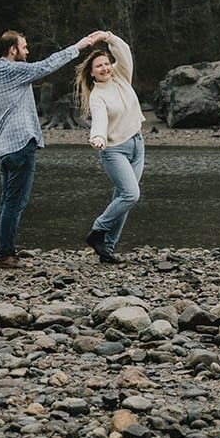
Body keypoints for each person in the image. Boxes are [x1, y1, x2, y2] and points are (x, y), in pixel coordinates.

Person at [0, 27, 105, 268]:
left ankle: (5, 249)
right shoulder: (10, 69)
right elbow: (45, 66)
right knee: (15, 201)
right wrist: (79, 46)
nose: (27, 51)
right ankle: (6, 254)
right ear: (12, 50)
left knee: (8, 200)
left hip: (4, 147)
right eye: (24, 47)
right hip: (19, 145)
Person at [74, 29, 144, 263]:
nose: (105, 68)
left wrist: (108, 37)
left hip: (137, 145)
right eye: (99, 67)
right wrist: (99, 138)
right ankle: (98, 230)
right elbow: (100, 120)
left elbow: (124, 53)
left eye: (106, 63)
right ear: (92, 74)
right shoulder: (97, 96)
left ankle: (108, 248)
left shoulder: (122, 76)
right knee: (131, 195)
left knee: (122, 197)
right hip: (114, 151)